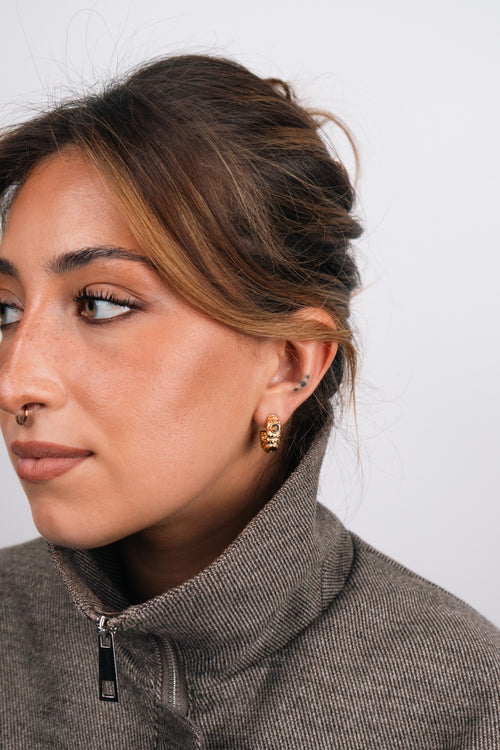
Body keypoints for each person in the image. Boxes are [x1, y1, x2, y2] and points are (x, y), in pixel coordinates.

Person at [0, 54, 497, 749]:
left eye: (102, 304)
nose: (15, 384)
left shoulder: (463, 702)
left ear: (289, 366)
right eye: (6, 310)